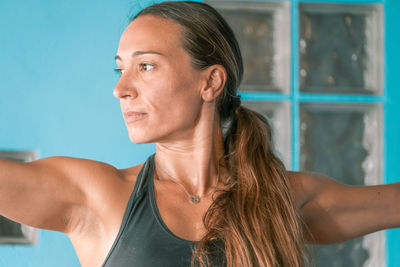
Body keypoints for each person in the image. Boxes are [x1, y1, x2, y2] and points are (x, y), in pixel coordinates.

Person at [0, 1, 399, 266]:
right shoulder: (96, 197)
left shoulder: (284, 198)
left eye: (146, 66)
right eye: (119, 68)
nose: (121, 89)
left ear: (209, 83)